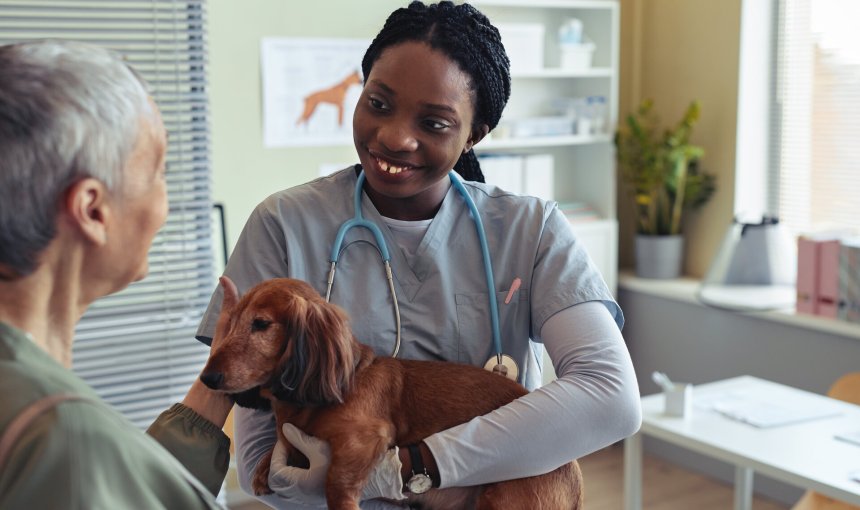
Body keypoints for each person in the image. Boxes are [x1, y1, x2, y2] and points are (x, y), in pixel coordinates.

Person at [195, 1, 641, 508]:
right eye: (379, 104)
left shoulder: (531, 229)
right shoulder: (282, 225)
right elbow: (262, 458)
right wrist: (312, 482)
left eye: (434, 123)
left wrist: (415, 467)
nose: (394, 137)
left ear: (475, 134)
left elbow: (611, 400)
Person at [0, 40, 236, 508]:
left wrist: (218, 384)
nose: (165, 206)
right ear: (92, 209)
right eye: (158, 172)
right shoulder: (60, 433)